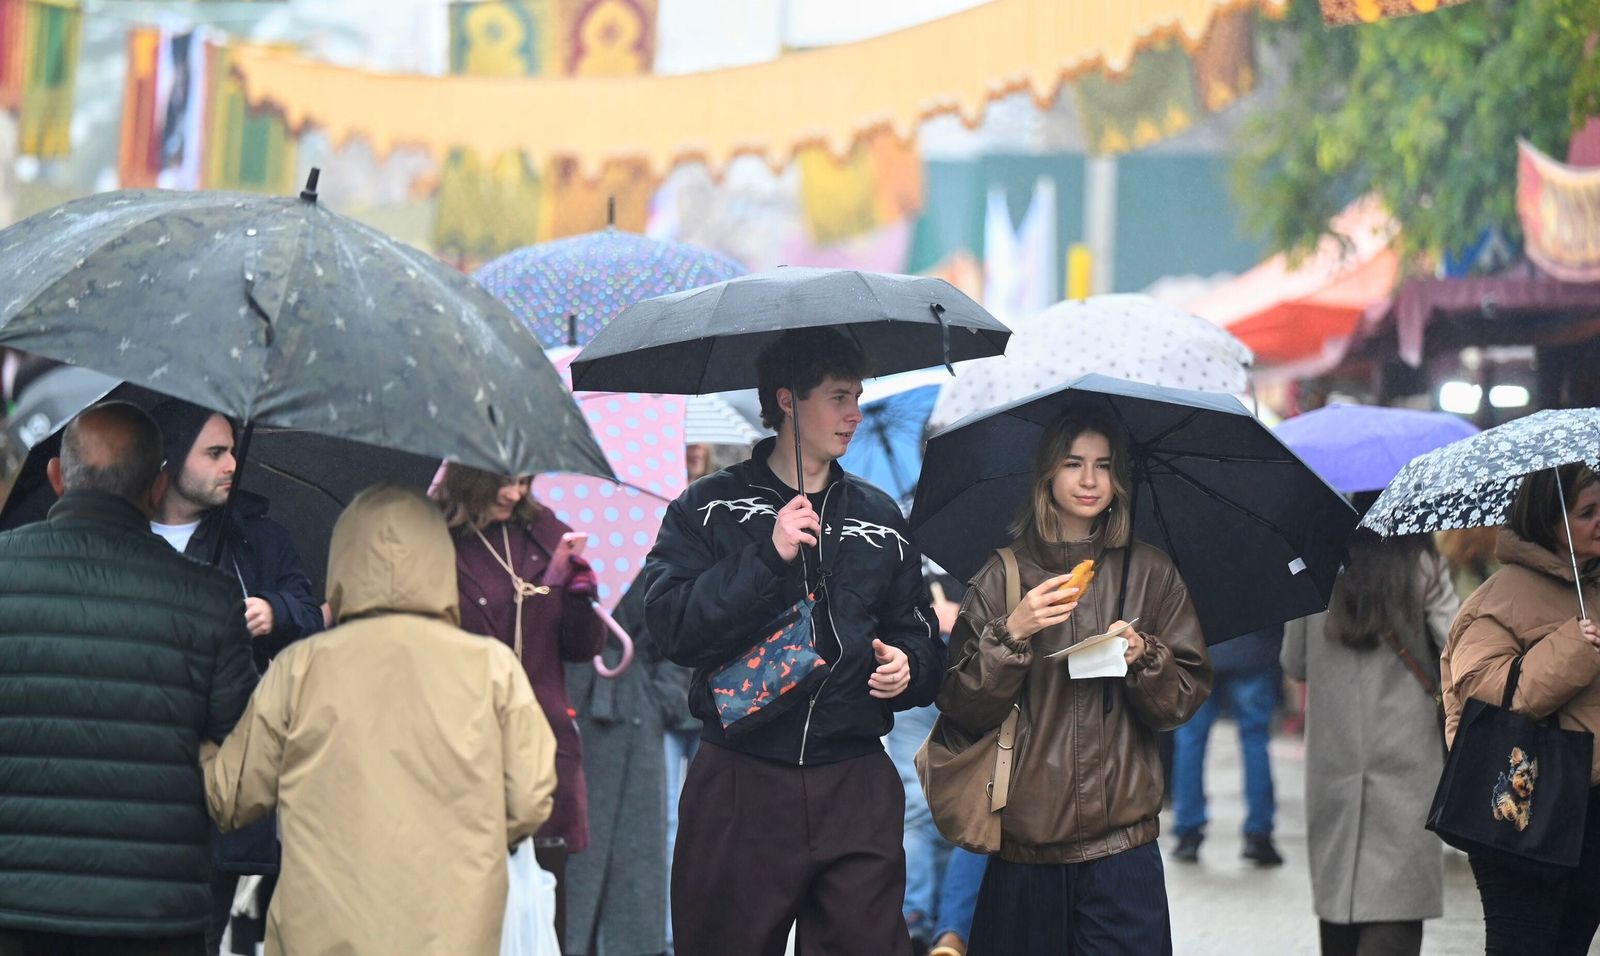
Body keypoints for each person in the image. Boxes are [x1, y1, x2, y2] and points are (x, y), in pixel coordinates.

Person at [644, 328, 943, 956]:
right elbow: (671, 625)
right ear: (787, 400)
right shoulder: (708, 508)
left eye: (857, 396)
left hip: (855, 778)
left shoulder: (881, 516)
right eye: (837, 397)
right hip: (740, 779)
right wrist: (767, 556)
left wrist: (907, 667)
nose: (854, 413)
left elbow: (916, 630)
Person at [203, 485, 558, 955]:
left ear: (345, 558)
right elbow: (530, 800)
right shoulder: (491, 668)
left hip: (322, 929)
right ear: (438, 558)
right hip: (453, 929)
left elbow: (231, 796)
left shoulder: (302, 667)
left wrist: (200, 736)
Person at [937, 406, 1211, 956]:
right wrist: (1011, 633)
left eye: (1104, 466)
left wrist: (1144, 655)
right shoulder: (1002, 576)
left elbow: (1182, 701)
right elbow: (961, 708)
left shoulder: (1151, 572)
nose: (1090, 480)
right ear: (1047, 475)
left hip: (1123, 853)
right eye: (1074, 463)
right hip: (1025, 852)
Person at [0, 402, 257, 955]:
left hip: (14, 909)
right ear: (158, 483)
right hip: (154, 916)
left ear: (56, 476)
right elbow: (245, 746)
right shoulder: (210, 598)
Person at [145, 400, 324, 955]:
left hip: (227, 779)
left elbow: (309, 612)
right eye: (215, 453)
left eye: (232, 452)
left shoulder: (257, 539)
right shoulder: (122, 532)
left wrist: (274, 611)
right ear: (171, 459)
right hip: (141, 779)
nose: (230, 466)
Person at [432, 462, 606, 947]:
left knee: (544, 911)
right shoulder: (435, 539)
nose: (513, 493)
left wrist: (577, 598)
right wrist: (533, 598)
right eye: (503, 481)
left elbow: (580, 648)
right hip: (466, 742)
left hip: (545, 738)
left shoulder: (544, 529)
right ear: (470, 477)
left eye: (524, 481)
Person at [1440, 464, 1600, 955]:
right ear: (1547, 518)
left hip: (1590, 816)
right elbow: (1483, 696)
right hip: (1524, 810)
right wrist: (1574, 646)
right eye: (1588, 512)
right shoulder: (1497, 599)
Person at [1282, 514, 1459, 956]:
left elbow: (1295, 662)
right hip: (1408, 766)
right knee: (1396, 913)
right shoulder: (1421, 561)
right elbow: (1458, 646)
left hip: (1333, 764)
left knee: (1338, 912)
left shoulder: (1315, 565)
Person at [886, 572, 963, 953]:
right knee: (917, 805)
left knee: (958, 809)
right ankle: (918, 915)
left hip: (969, 678)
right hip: (918, 670)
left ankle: (944, 920)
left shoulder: (983, 545)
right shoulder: (900, 535)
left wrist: (960, 617)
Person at [1170, 624, 1285, 866]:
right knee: (1255, 739)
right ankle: (1259, 833)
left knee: (1190, 740)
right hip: (1253, 650)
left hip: (1196, 649)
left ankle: (1188, 832)